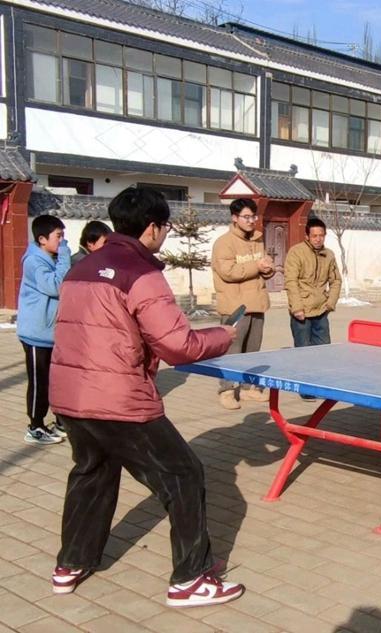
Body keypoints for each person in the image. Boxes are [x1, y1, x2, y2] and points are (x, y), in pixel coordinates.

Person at [48, 187, 245, 607]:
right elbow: (178, 346)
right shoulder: (141, 274)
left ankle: (71, 563)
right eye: (165, 226)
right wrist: (223, 336)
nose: (165, 233)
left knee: (92, 473)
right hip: (119, 398)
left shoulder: (80, 269)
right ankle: (191, 579)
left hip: (71, 396)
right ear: (153, 228)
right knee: (184, 474)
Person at [211, 198, 275, 410]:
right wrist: (257, 266)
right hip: (235, 305)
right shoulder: (224, 243)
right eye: (246, 217)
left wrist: (268, 268)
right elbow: (228, 272)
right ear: (234, 218)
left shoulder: (257, 240)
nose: (251, 221)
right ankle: (227, 390)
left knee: (252, 350)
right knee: (232, 350)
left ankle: (248, 388)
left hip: (257, 302)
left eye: (253, 216)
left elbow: (262, 266)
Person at [17, 214, 71, 445]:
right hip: (36, 334)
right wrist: (65, 257)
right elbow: (56, 286)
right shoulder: (34, 261)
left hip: (51, 334)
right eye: (58, 236)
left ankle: (59, 421)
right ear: (42, 239)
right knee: (39, 382)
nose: (62, 241)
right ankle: (35, 427)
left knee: (55, 381)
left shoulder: (50, 258)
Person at [284, 216, 341, 349]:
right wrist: (297, 308)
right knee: (303, 352)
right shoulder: (296, 252)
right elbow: (291, 281)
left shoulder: (329, 255)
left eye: (321, 235)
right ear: (307, 236)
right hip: (302, 312)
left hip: (321, 311)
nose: (318, 239)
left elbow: (336, 280)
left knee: (324, 350)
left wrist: (330, 303)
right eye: (314, 236)